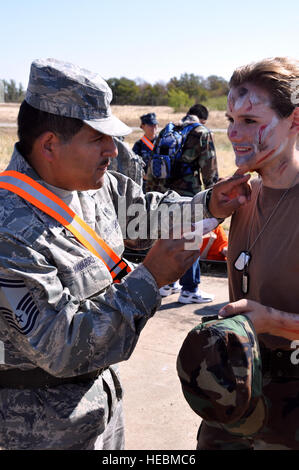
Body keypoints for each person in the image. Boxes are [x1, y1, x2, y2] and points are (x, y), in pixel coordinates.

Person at [0, 58, 250, 450]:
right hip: (39, 429)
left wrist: (207, 205)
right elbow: (61, 344)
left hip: (100, 406)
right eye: (97, 138)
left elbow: (143, 213)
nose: (111, 151)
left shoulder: (94, 186)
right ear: (49, 145)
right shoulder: (8, 231)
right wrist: (150, 279)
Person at [178, 56, 299, 450]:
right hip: (236, 398)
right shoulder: (239, 195)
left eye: (249, 120)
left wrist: (275, 322)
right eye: (230, 119)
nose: (233, 132)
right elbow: (147, 229)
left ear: (295, 121)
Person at [156, 105, 219, 303]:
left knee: (169, 236)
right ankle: (190, 290)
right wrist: (214, 199)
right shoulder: (201, 132)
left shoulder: (168, 130)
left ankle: (167, 284)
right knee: (191, 237)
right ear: (203, 119)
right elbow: (209, 168)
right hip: (188, 194)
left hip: (164, 194)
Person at [132, 112, 159, 190]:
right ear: (143, 126)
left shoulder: (162, 143)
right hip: (145, 185)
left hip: (161, 184)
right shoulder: (138, 145)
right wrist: (144, 176)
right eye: (150, 125)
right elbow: (134, 166)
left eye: (155, 125)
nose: (153, 127)